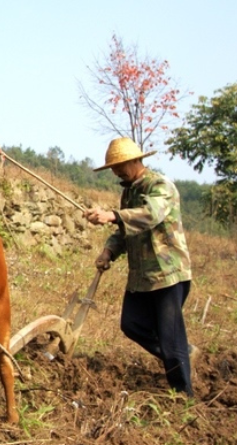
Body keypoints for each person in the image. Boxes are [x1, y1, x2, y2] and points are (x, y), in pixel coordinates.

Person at [84, 137, 194, 397]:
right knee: (131, 325)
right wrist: (108, 251)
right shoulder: (129, 192)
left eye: (121, 165)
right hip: (142, 276)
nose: (117, 171)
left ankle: (183, 395)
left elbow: (150, 214)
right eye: (113, 167)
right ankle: (182, 354)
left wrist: (112, 215)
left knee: (170, 337)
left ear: (137, 160)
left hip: (168, 274)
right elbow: (124, 231)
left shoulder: (160, 186)